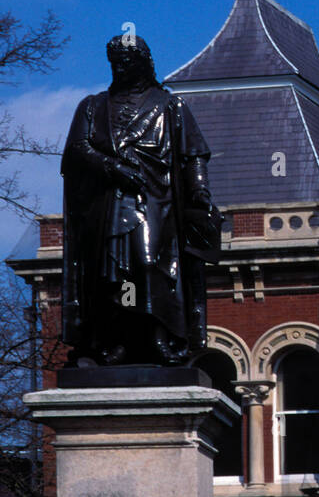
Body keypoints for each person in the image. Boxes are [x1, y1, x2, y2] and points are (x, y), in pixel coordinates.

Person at [61, 34, 220, 366]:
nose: (120, 67)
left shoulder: (170, 106)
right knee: (112, 273)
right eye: (115, 62)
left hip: (156, 201)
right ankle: (119, 338)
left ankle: (156, 333)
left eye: (127, 61)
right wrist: (112, 166)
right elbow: (77, 148)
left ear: (144, 63)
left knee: (147, 264)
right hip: (108, 202)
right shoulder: (92, 106)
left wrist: (201, 193)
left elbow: (193, 155)